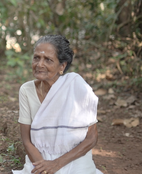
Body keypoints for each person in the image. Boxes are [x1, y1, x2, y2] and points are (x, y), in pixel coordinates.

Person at [12, 35, 103, 174]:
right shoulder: (26, 90)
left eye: (48, 60)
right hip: (39, 160)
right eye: (36, 58)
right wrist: (44, 168)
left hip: (74, 160)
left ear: (62, 65)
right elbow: (27, 141)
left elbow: (92, 138)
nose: (40, 64)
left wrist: (56, 164)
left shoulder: (76, 86)